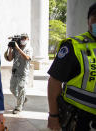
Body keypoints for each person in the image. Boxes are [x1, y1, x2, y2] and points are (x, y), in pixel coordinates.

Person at [47, 2, 96, 131]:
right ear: (88, 21)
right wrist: (53, 115)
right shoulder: (73, 46)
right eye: (95, 18)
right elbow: (54, 81)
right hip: (80, 119)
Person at [5, 34, 33, 114]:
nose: (22, 40)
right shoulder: (16, 48)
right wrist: (10, 49)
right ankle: (22, 99)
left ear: (28, 39)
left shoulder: (29, 48)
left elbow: (27, 58)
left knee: (21, 89)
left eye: (24, 38)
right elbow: (10, 59)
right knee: (12, 88)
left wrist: (18, 48)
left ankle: (19, 107)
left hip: (23, 72)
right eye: (22, 38)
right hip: (15, 72)